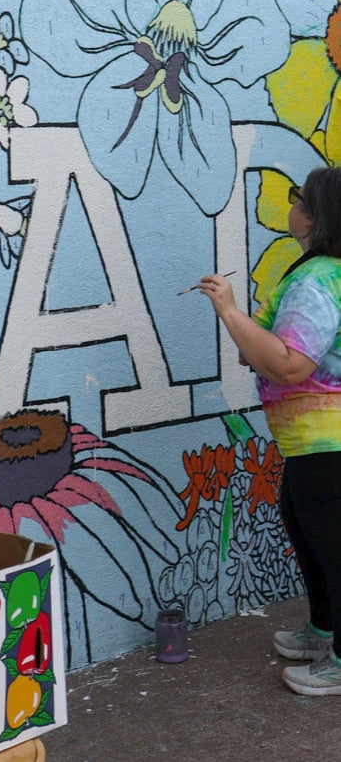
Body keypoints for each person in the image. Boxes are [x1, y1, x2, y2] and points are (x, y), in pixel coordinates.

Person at [199, 165, 341, 696]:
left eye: (297, 197)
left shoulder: (317, 278)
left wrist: (228, 310)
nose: (292, 204)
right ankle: (322, 632)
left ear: (314, 214)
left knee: (330, 543)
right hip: (313, 442)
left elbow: (287, 366)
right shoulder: (321, 271)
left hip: (326, 442)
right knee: (310, 534)